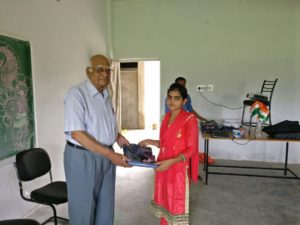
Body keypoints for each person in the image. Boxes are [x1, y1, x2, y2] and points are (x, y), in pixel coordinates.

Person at [64, 54, 131, 225]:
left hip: (107, 156)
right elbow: (77, 134)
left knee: (106, 208)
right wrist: (110, 155)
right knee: (83, 211)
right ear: (88, 72)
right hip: (83, 157)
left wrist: (118, 137)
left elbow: (104, 123)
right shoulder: (76, 94)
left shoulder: (106, 94)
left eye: (108, 70)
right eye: (100, 70)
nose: (105, 74)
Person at [139, 83, 199, 225]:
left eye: (176, 98)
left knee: (176, 202)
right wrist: (151, 141)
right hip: (163, 165)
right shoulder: (166, 117)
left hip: (177, 168)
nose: (172, 101)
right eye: (169, 97)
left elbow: (191, 149)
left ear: (184, 101)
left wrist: (170, 162)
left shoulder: (189, 119)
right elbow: (166, 143)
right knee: (165, 199)